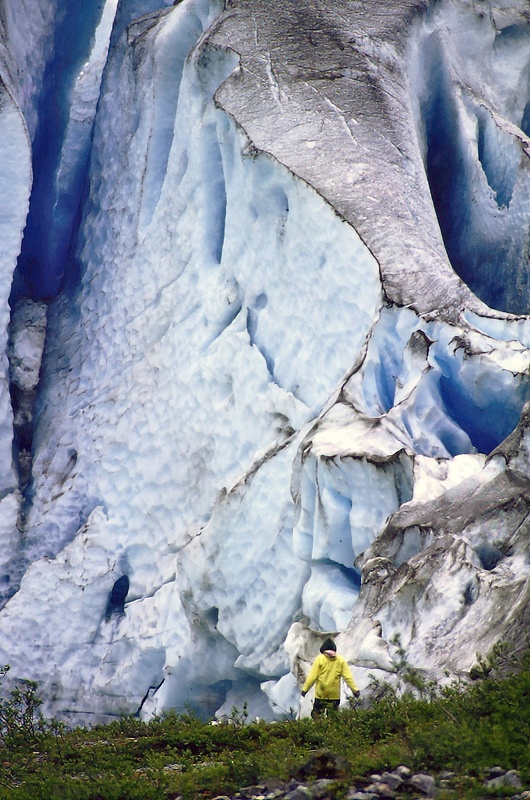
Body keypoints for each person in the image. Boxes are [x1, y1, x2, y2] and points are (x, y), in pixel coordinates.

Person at [301, 638, 359, 717]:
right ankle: (331, 728)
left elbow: (312, 676)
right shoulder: (340, 660)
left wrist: (305, 689)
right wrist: (355, 690)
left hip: (321, 694)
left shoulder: (320, 659)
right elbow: (348, 677)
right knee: (333, 717)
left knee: (317, 715)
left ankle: (320, 728)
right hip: (334, 696)